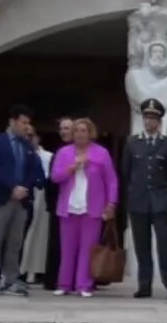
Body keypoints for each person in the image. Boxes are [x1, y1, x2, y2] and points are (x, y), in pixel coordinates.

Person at [49, 118, 118, 296]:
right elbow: (55, 177)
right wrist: (71, 168)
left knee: (88, 249)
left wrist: (111, 203)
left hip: (92, 208)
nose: (80, 133)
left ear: (90, 133)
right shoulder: (64, 152)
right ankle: (64, 284)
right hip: (69, 206)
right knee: (67, 249)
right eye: (77, 130)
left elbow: (111, 180)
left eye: (84, 130)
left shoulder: (101, 153)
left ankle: (84, 285)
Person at [0, 104, 45, 297]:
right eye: (23, 122)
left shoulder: (27, 145)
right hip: (1, 198)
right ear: (12, 121)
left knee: (15, 242)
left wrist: (24, 187)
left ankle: (11, 278)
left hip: (22, 201)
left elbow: (34, 170)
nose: (27, 126)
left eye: (28, 123)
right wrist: (12, 186)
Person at [121, 99, 167, 299]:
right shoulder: (132, 142)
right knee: (141, 245)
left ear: (159, 121)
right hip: (138, 200)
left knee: (164, 244)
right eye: (146, 117)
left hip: (160, 200)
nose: (149, 121)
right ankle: (144, 284)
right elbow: (126, 173)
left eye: (153, 118)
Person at [42, 117, 74, 291]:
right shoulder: (58, 151)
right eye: (62, 128)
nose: (64, 131)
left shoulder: (81, 151)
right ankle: (54, 279)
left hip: (75, 204)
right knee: (56, 243)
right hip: (57, 203)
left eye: (67, 128)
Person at [19, 129, 53, 284]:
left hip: (41, 197)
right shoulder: (19, 154)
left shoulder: (48, 156)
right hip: (22, 196)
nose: (28, 138)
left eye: (31, 136)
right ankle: (20, 270)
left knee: (39, 236)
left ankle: (37, 271)